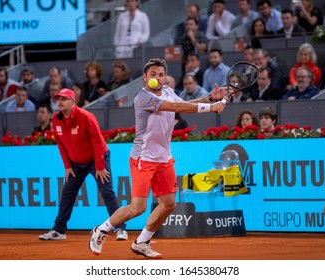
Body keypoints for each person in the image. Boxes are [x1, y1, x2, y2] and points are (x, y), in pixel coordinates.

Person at [88, 58, 227, 258]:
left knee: (169, 204)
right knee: (138, 207)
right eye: (153, 74)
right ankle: (101, 230)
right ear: (145, 77)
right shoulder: (143, 98)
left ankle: (142, 242)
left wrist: (209, 99)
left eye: (161, 74)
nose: (158, 78)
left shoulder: (169, 92)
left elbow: (185, 104)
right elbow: (176, 109)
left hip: (164, 158)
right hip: (143, 158)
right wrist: (211, 108)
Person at [38, 88, 128, 241]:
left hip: (97, 159)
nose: (59, 101)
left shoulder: (86, 116)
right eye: (58, 99)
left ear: (72, 101)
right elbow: (60, 144)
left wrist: (99, 166)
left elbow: (98, 142)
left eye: (64, 99)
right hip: (75, 163)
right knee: (67, 194)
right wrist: (67, 166)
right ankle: (59, 230)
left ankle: (120, 228)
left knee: (107, 192)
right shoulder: (56, 119)